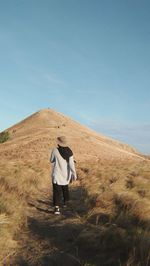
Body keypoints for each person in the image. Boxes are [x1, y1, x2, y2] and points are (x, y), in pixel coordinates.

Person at [50, 136, 77, 214]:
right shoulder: (70, 151)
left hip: (57, 174)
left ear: (58, 143)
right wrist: (74, 174)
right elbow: (72, 164)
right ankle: (66, 203)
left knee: (57, 191)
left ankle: (57, 208)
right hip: (66, 175)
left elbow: (51, 160)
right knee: (65, 188)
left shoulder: (55, 150)